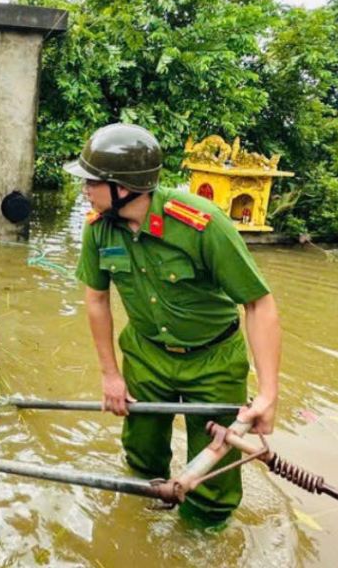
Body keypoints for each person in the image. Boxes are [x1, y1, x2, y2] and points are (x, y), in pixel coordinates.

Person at [68, 123, 281, 527]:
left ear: (124, 187)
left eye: (92, 182)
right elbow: (96, 300)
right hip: (146, 356)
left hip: (213, 360)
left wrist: (269, 393)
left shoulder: (201, 223)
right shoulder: (98, 229)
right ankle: (141, 524)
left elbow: (259, 303)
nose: (85, 190)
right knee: (142, 456)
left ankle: (202, 537)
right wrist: (110, 375)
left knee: (214, 471)